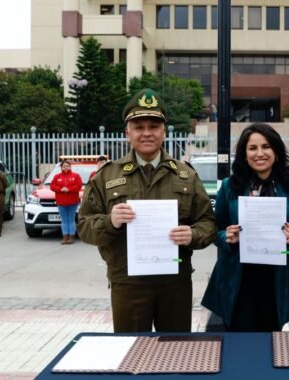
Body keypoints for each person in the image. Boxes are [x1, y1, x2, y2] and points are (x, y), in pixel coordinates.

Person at [77, 88, 216, 333]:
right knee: (131, 353)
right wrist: (110, 221)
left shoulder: (186, 174)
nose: (147, 133)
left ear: (163, 132)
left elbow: (207, 222)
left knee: (176, 354)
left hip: (175, 283)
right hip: (128, 282)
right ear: (127, 133)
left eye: (153, 126)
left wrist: (193, 235)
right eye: (139, 127)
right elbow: (84, 226)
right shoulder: (106, 175)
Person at [202, 123, 289, 332]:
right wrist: (227, 236)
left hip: (276, 279)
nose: (259, 153)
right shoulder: (229, 186)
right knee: (237, 340)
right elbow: (215, 231)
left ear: (276, 152)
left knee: (272, 342)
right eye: (252, 148)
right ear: (244, 154)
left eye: (266, 147)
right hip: (238, 280)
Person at [50, 159, 83, 244]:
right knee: (64, 220)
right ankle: (65, 237)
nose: (66, 168)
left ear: (70, 166)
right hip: (61, 202)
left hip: (72, 202)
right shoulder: (57, 177)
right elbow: (52, 186)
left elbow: (78, 186)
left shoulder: (76, 176)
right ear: (61, 167)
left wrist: (69, 189)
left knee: (71, 219)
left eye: (67, 166)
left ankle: (71, 237)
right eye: (64, 166)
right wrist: (61, 189)